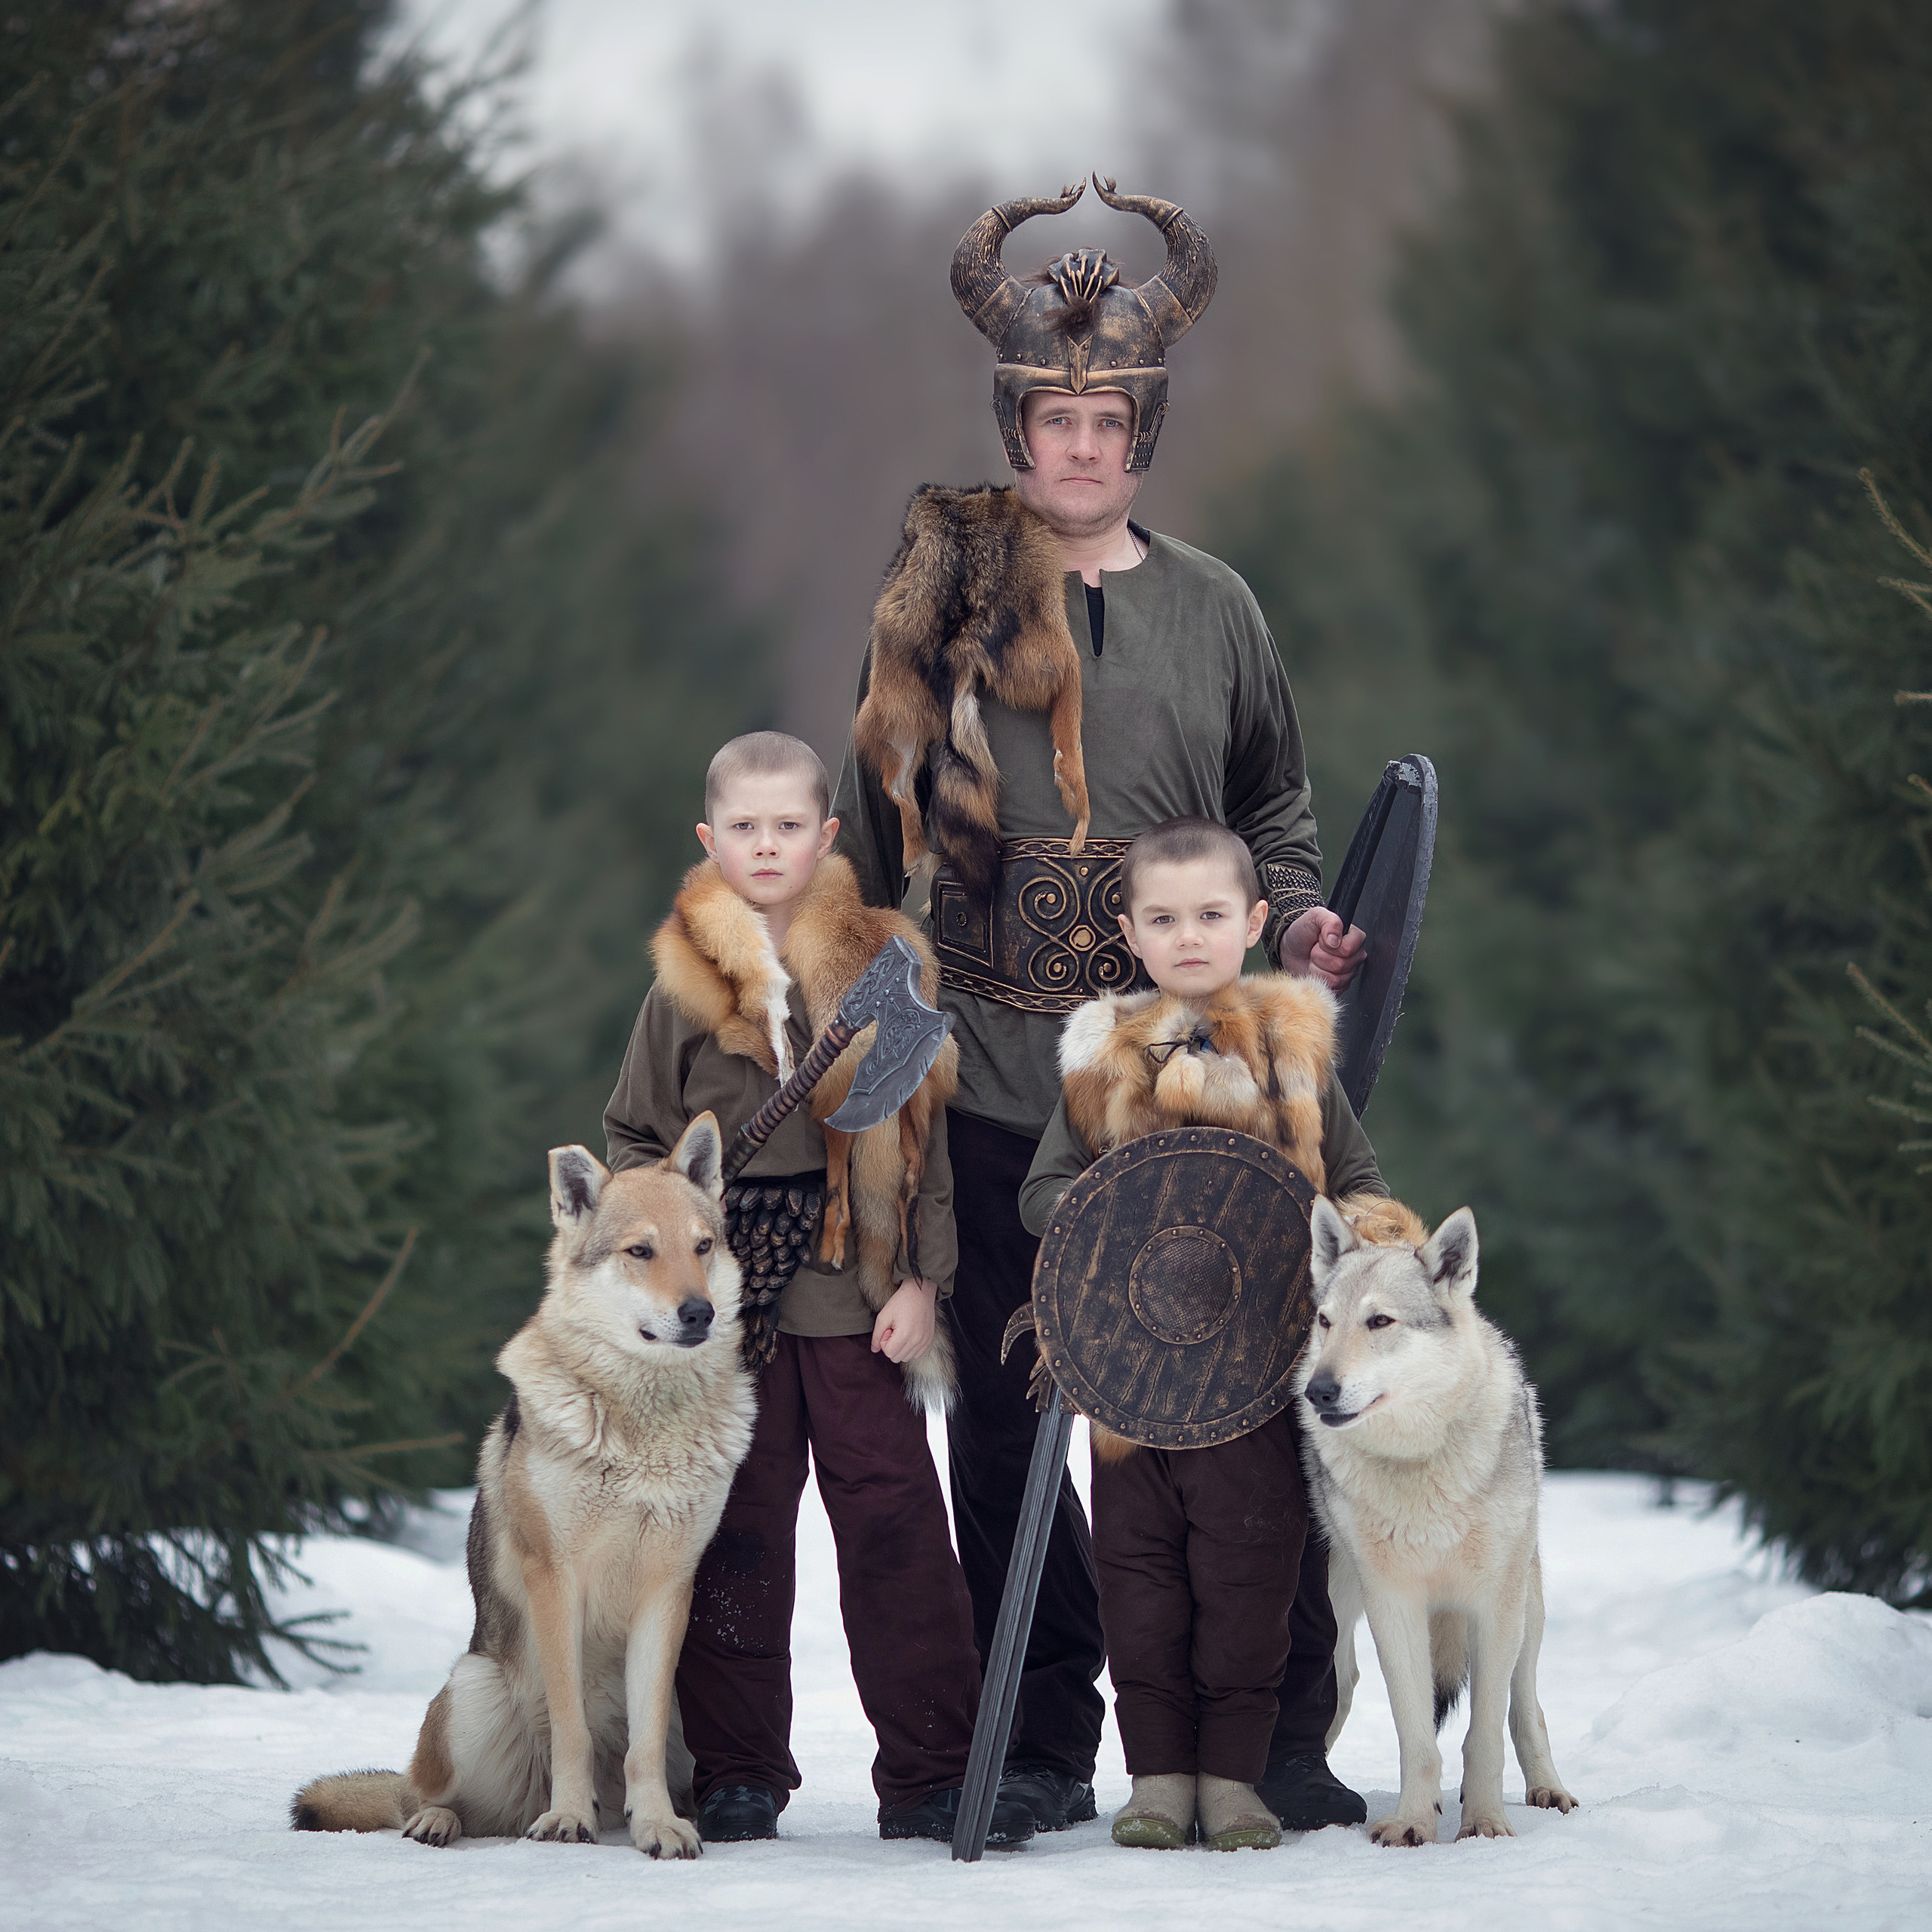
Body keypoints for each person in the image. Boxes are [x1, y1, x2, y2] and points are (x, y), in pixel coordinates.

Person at [833, 176, 1371, 1835]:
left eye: (1108, 418)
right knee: (1004, 1432)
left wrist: (1294, 911)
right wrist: (863, 1039)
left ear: (1144, 428)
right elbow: (870, 842)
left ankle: (1270, 1736)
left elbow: (1276, 802)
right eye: (1054, 418)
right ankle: (1044, 1734)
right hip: (996, 1068)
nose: (1079, 447)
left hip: (1184, 1079)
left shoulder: (1217, 606)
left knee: (1230, 1419)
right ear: (1017, 422)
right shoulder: (940, 591)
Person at [604, 730, 1035, 1849]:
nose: (766, 845)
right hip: (723, 1307)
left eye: (787, 825)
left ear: (826, 835)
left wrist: (926, 1286)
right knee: (740, 1527)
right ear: (710, 839)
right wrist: (657, 1256)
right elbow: (631, 1142)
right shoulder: (683, 989)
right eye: (743, 827)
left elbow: (923, 1139)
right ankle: (741, 1770)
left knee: (894, 1521)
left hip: (854, 1287)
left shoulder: (884, 963)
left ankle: (933, 1769)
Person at [1017, 817, 1414, 1849]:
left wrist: (1370, 1236)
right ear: (1131, 930)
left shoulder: (1297, 1053)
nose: (1187, 936)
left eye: (1208, 915)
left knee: (1249, 1576)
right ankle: (1157, 1779)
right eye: (1163, 918)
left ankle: (1235, 1778)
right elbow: (1044, 1191)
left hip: (1257, 1371)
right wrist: (1109, 1215)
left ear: (1251, 923)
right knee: (1141, 1579)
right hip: (1129, 1376)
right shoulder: (1105, 1059)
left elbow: (1360, 1181)